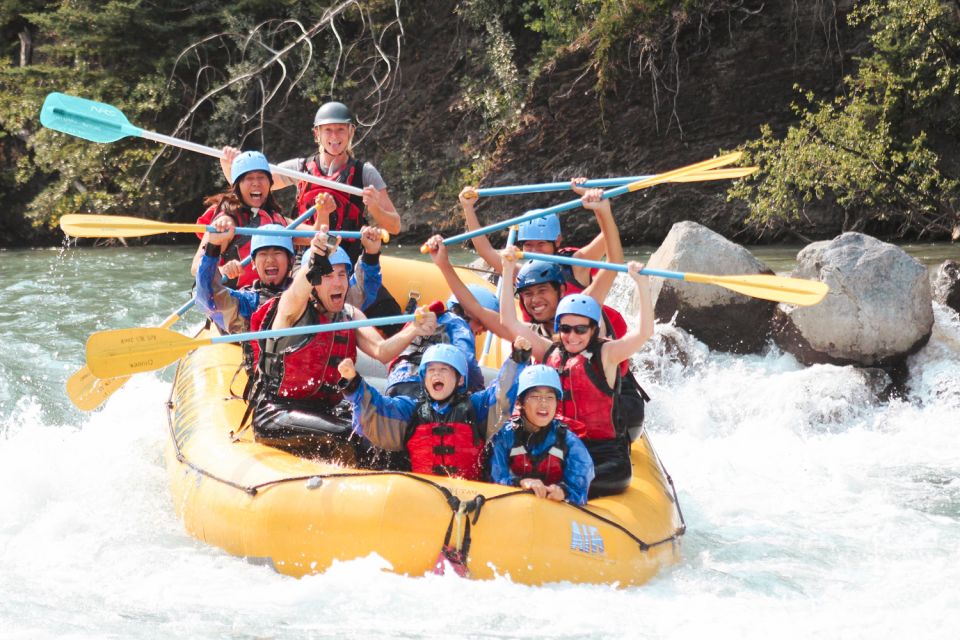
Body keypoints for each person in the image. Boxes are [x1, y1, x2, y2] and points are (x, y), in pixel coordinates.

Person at [243, 226, 437, 459]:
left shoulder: (350, 314)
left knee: (386, 430)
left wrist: (414, 329)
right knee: (353, 435)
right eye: (328, 276)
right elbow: (295, 293)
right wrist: (315, 259)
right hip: (277, 412)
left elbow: (382, 351)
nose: (338, 284)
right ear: (313, 282)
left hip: (328, 408)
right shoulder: (291, 311)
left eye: (342, 275)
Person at [501, 256, 654, 495]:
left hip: (604, 456)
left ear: (594, 329)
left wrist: (641, 284)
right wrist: (508, 267)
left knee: (601, 475)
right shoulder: (549, 351)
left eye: (580, 329)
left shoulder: (607, 354)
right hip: (561, 448)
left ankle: (563, 489)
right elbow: (508, 321)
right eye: (565, 328)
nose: (572, 336)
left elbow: (644, 333)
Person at [337, 338, 530, 480]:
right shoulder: (411, 410)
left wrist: (516, 359)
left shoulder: (476, 408)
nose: (436, 373)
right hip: (425, 496)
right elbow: (379, 410)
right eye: (431, 370)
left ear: (460, 379)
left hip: (469, 492)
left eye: (444, 369)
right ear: (424, 379)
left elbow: (501, 392)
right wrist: (354, 383)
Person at [459, 179, 621, 293]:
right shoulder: (522, 273)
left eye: (541, 244)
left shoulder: (577, 264)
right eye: (528, 245)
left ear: (557, 241)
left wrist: (597, 206)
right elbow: (485, 251)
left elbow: (608, 238)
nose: (534, 251)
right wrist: (468, 208)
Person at [488, 365, 594, 505]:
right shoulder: (504, 437)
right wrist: (520, 482)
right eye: (535, 396)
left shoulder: (569, 442)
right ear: (520, 403)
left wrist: (563, 491)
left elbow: (580, 490)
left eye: (550, 397)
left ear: (557, 403)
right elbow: (495, 479)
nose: (543, 403)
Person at [192, 150, 289, 289]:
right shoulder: (227, 221)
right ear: (238, 186)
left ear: (270, 183)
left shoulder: (277, 219)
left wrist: (323, 212)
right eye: (249, 178)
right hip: (235, 300)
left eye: (261, 177)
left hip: (270, 296)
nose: (256, 183)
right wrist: (222, 270)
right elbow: (196, 267)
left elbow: (316, 232)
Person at [385, 284, 499, 397]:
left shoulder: (430, 319)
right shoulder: (459, 326)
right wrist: (480, 392)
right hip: (421, 386)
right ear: (470, 312)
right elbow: (466, 362)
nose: (482, 331)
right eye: (483, 325)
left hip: (395, 382)